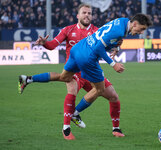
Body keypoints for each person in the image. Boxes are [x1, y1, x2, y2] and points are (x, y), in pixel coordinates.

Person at [18, 4, 125, 140]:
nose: (87, 15)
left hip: (92, 72)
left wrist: (117, 48)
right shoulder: (68, 30)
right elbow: (52, 45)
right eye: (84, 12)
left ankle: (116, 128)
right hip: (74, 70)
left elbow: (111, 45)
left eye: (90, 13)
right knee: (71, 88)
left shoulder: (98, 31)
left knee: (113, 96)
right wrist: (45, 43)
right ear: (77, 16)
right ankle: (66, 129)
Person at [41, 13, 152, 139]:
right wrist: (113, 64)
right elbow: (99, 48)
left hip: (78, 49)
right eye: (141, 29)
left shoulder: (124, 22)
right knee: (100, 89)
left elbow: (106, 38)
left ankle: (29, 79)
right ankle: (74, 114)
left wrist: (115, 46)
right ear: (135, 23)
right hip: (88, 58)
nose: (141, 32)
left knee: (65, 78)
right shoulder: (119, 30)